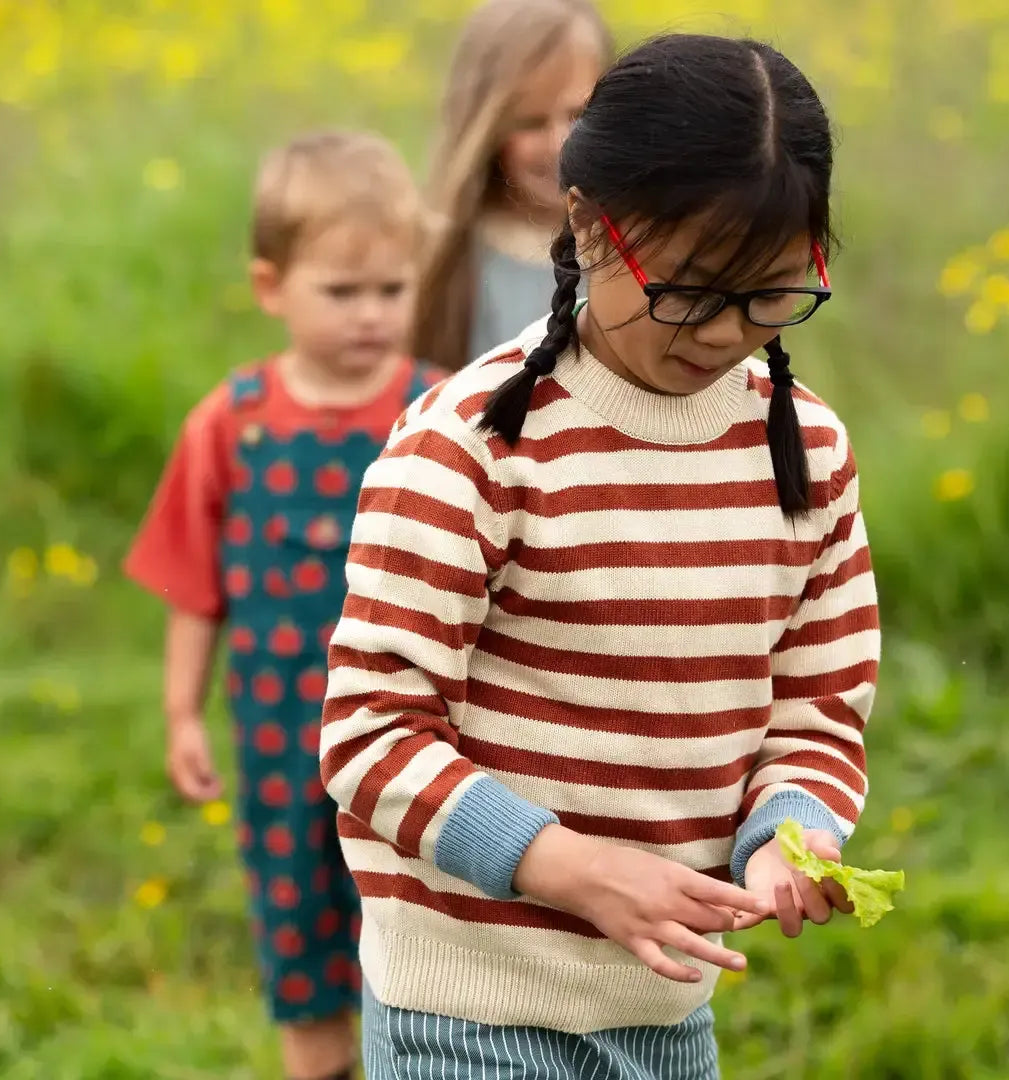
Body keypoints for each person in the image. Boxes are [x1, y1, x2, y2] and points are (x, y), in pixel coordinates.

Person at [322, 34, 879, 1080]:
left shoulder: (805, 452)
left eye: (767, 295)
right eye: (689, 291)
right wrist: (569, 868)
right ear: (586, 218)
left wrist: (792, 831)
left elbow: (818, 706)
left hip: (664, 1007)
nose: (721, 334)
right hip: (467, 1011)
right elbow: (370, 734)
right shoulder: (470, 445)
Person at [124, 131, 442, 1080]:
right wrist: (182, 709)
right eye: (341, 294)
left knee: (414, 926)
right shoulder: (235, 421)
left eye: (391, 290)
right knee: (299, 926)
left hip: (416, 736)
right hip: (278, 739)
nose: (370, 316)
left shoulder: (436, 411)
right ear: (272, 287)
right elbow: (195, 584)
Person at [411, 0, 612, 371]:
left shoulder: (632, 244)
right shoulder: (440, 255)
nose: (560, 143)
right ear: (485, 128)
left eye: (578, 114)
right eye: (531, 122)